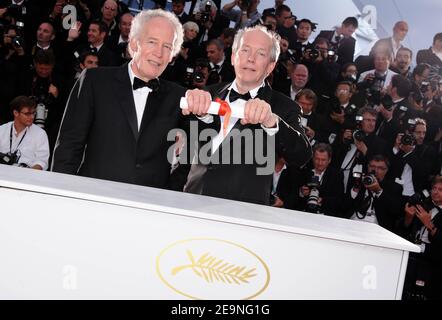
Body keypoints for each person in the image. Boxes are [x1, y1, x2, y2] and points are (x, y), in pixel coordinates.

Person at [52, 9, 209, 188]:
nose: (159, 53)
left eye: (167, 47)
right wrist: (61, 194)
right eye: (152, 42)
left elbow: (200, 151)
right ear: (134, 44)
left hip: (148, 206)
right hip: (94, 200)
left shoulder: (179, 96)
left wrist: (204, 112)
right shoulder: (95, 81)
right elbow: (69, 147)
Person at [183, 25, 312, 205]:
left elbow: (302, 156)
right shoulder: (208, 93)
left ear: (270, 66)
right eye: (245, 50)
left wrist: (272, 122)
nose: (250, 59)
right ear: (234, 57)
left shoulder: (284, 106)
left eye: (260, 54)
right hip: (193, 199)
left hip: (243, 211)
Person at [397, 175, 442, 300]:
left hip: (433, 260)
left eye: (440, 189)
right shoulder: (422, 205)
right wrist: (409, 217)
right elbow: (401, 229)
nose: (436, 192)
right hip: (412, 253)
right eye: (434, 188)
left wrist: (429, 225)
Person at [0, 96, 49, 170]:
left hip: (27, 177)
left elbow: (42, 162)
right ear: (16, 113)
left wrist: (27, 176)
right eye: (27, 114)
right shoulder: (2, 129)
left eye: (33, 113)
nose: (32, 117)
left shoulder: (40, 134)